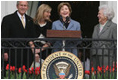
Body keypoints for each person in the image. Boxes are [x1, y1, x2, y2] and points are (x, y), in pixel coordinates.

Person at [1, 1, 36, 69]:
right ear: (17, 6)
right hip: (12, 52)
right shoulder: (8, 19)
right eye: (21, 5)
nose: (23, 7)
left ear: (27, 7)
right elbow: (4, 36)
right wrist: (4, 52)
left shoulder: (30, 19)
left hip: (26, 53)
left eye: (25, 6)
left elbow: (32, 36)